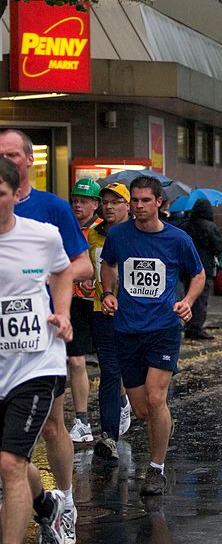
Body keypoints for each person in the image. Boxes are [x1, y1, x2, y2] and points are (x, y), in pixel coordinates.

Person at [0, 129, 92, 544]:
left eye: (13, 154)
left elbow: (77, 266)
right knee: (12, 457)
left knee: (53, 428)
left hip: (41, 347)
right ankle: (43, 503)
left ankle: (67, 505)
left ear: (29, 161)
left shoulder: (51, 210)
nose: (9, 160)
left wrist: (60, 309)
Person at [100, 176, 205, 495]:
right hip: (127, 330)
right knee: (144, 409)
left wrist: (187, 302)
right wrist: (108, 292)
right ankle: (152, 444)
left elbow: (197, 274)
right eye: (134, 200)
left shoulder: (178, 239)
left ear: (159, 202)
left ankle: (156, 469)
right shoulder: (118, 235)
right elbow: (108, 264)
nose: (138, 206)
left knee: (157, 397)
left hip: (163, 329)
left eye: (145, 200)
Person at [0, 157, 73, 544]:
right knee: (5, 461)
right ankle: (47, 507)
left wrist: (62, 312)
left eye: (0, 194)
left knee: (9, 464)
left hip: (37, 362)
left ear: (14, 193)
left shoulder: (40, 235)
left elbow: (64, 271)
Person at [87, 182, 133, 461]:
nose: (109, 206)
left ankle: (127, 399)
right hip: (101, 310)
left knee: (132, 374)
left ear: (128, 206)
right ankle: (108, 436)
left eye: (116, 201)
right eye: (105, 201)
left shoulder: (138, 234)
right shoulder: (94, 234)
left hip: (135, 314)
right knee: (110, 372)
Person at [68, 178, 103, 444]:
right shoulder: (65, 228)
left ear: (95, 204)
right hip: (74, 301)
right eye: (75, 200)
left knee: (109, 360)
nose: (78, 205)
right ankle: (82, 419)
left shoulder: (104, 229)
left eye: (83, 201)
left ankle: (121, 400)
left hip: (101, 302)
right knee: (76, 360)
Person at [179, 198, 222, 341]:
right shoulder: (210, 226)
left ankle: (187, 325)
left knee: (188, 296)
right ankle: (196, 327)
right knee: (201, 298)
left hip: (187, 267)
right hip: (204, 267)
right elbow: (218, 247)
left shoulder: (186, 225)